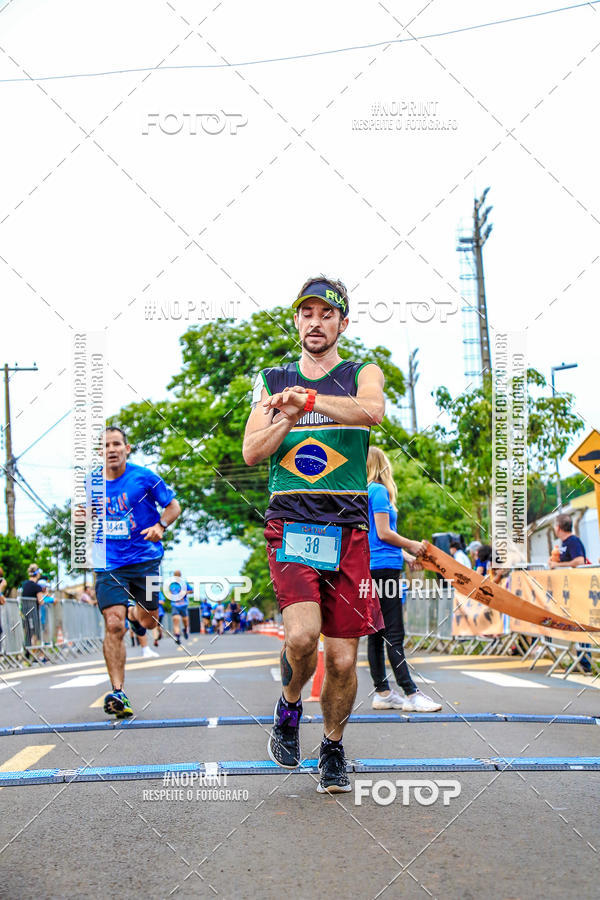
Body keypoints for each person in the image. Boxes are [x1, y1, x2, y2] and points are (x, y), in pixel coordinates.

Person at [243, 275, 385, 793]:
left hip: (346, 524)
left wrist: (313, 402)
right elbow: (253, 451)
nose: (315, 322)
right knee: (302, 636)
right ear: (297, 321)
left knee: (345, 659)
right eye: (307, 313)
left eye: (327, 314)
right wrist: (285, 414)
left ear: (342, 323)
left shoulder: (360, 372)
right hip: (291, 520)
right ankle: (289, 706)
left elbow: (372, 412)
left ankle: (332, 746)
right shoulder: (272, 377)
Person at [88, 426, 181, 718]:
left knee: (150, 621)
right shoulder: (91, 483)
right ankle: (118, 692)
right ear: (100, 452)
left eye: (117, 444)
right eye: (106, 445)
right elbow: (92, 513)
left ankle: (138, 619)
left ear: (127, 449)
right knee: (113, 625)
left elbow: (173, 506)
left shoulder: (144, 477)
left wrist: (160, 526)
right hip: (109, 563)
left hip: (145, 561)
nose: (111, 449)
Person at [366, 447, 441, 712]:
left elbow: (376, 535)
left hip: (372, 568)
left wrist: (406, 558)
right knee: (394, 633)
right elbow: (385, 533)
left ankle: (383, 693)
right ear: (382, 466)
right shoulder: (378, 491)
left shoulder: (364, 492)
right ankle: (411, 694)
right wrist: (411, 545)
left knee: (377, 633)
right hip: (385, 570)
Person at [549, 513, 591, 672]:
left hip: (579, 588)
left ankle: (585, 662)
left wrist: (559, 565)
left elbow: (579, 561)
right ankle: (580, 660)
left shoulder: (573, 541)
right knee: (575, 624)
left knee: (581, 624)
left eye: (554, 525)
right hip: (569, 589)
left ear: (558, 527)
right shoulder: (563, 543)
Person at [21, 564, 44, 653]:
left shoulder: (25, 585)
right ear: (37, 574)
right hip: (33, 612)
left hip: (25, 612)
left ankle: (27, 653)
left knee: (27, 633)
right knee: (34, 633)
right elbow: (41, 601)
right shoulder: (37, 586)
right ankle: (34, 655)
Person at [169, 570, 190, 644]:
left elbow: (191, 590)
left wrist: (184, 593)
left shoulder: (184, 583)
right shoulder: (171, 584)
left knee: (185, 622)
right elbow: (169, 594)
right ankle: (177, 637)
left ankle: (185, 630)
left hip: (183, 605)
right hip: (175, 605)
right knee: (176, 621)